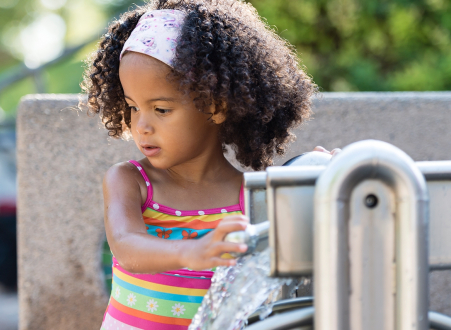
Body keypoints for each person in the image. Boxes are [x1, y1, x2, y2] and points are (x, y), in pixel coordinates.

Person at [81, 1, 336, 329]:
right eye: (132, 107)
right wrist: (190, 252)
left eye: (160, 109)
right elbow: (127, 246)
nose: (140, 125)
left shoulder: (250, 198)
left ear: (215, 107)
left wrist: (331, 173)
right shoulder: (131, 180)